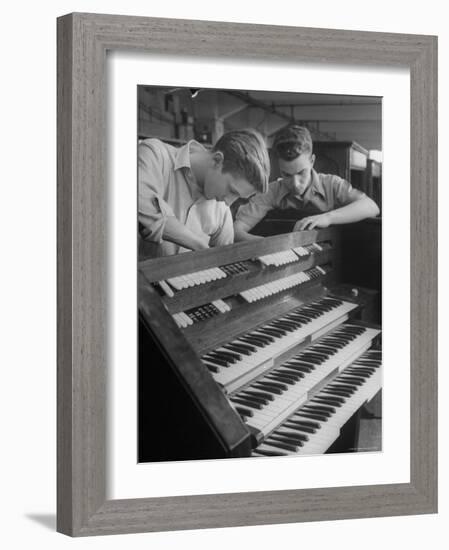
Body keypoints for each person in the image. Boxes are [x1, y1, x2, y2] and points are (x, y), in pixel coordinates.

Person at [233, 125, 380, 241]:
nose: (296, 184)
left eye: (301, 173)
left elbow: (371, 206)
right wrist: (264, 245)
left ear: (312, 161)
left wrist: (327, 218)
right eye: (287, 175)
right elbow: (237, 229)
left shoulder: (332, 185)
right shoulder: (270, 192)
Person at [138, 129, 270, 258]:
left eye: (239, 198)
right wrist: (198, 245)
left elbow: (225, 262)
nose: (228, 202)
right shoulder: (153, 155)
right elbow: (143, 210)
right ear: (217, 161)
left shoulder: (222, 210)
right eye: (232, 190)